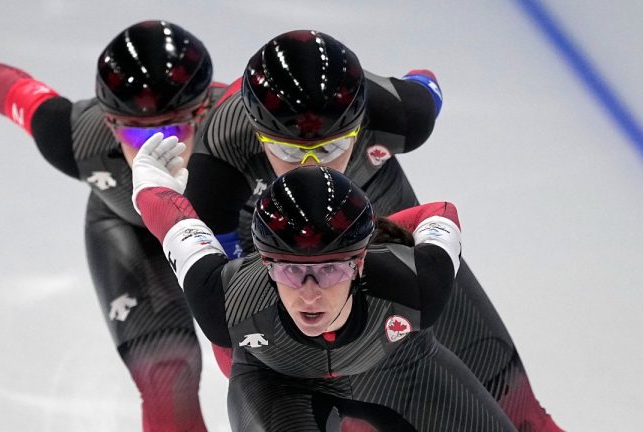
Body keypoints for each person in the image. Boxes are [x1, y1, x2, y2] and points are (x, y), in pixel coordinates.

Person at [183, 30, 562, 431]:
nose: (313, 168)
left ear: (360, 126)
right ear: (257, 135)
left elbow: (424, 85)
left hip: (389, 230)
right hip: (283, 254)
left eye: (330, 149)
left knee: (515, 403)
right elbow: (228, 310)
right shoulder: (219, 158)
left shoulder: (397, 113)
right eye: (289, 151)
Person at [0, 21, 225, 431]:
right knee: (167, 372)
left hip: (224, 227)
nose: (152, 148)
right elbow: (13, 94)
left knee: (268, 358)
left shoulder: (240, 129)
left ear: (204, 113)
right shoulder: (75, 137)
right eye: (134, 131)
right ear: (109, 123)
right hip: (128, 229)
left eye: (169, 129)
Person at [129, 136, 517, 431]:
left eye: (330, 269)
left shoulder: (415, 284)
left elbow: (440, 213)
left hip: (400, 368)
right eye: (290, 271)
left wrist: (380, 230)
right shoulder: (227, 301)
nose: (310, 292)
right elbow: (178, 228)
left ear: (360, 263)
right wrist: (147, 184)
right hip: (277, 386)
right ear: (265, 264)